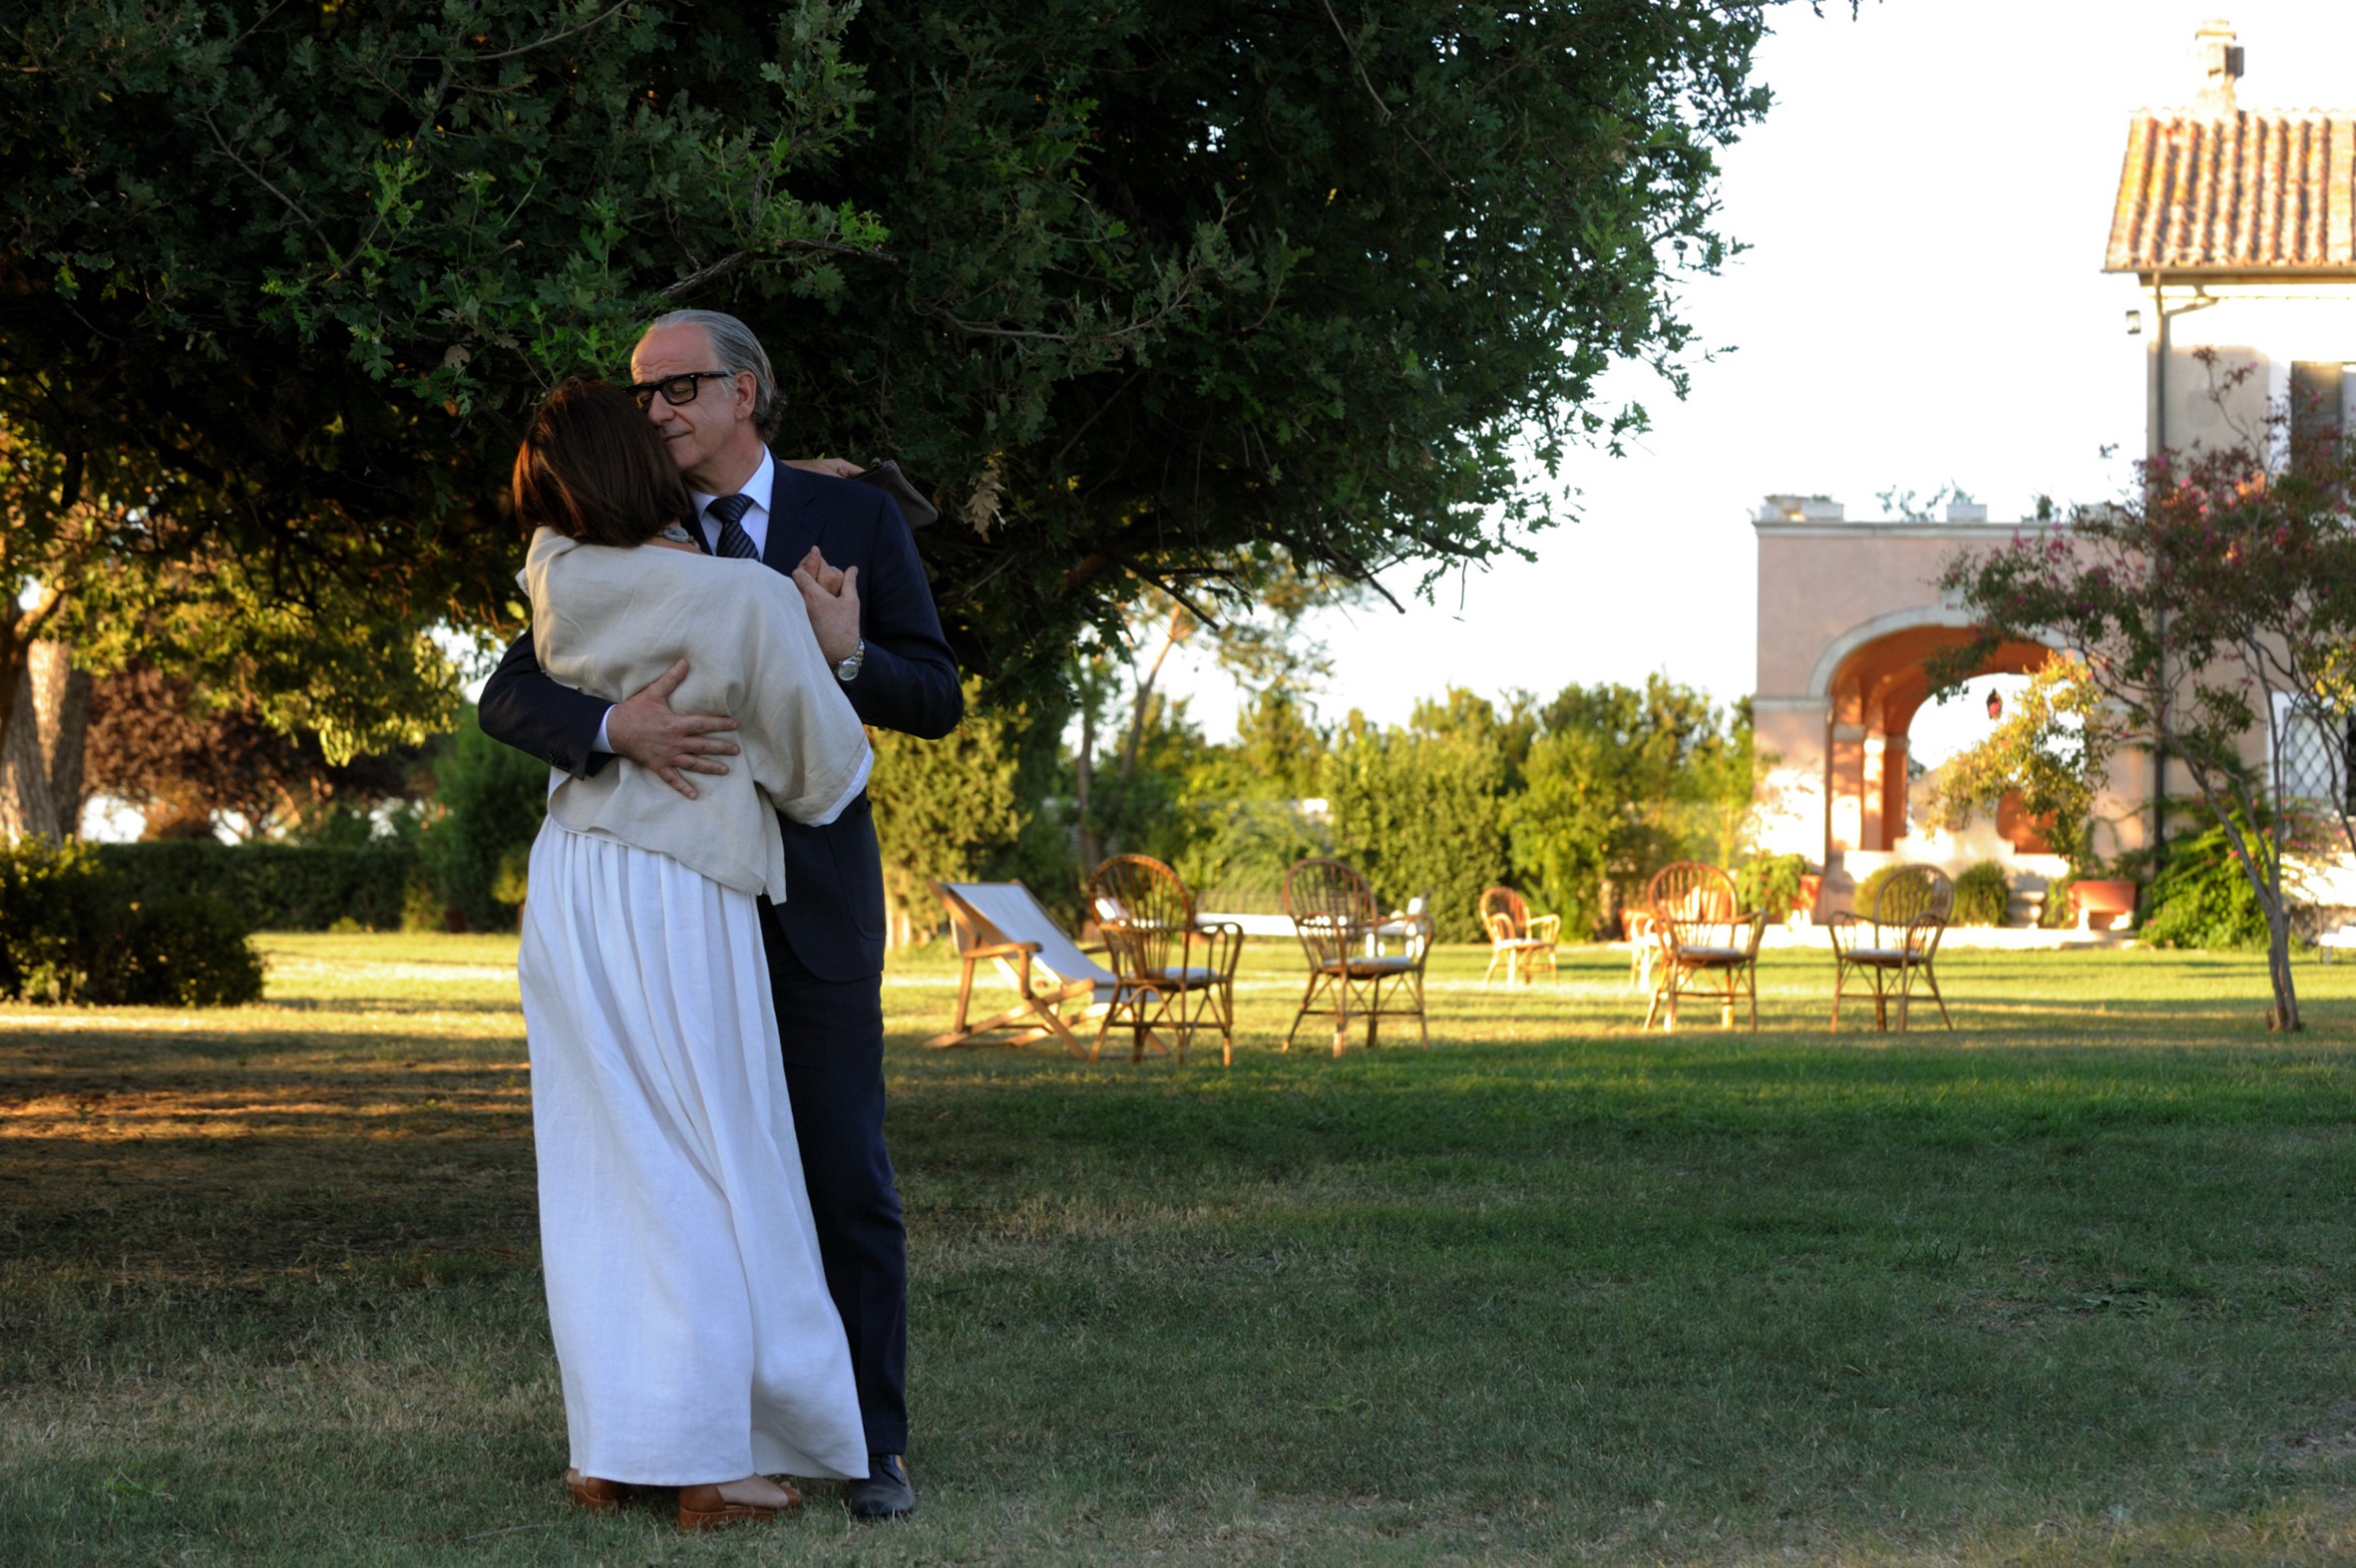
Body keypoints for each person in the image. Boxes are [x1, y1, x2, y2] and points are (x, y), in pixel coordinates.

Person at [479, 309, 962, 1520]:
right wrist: (615, 728)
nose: (655, 410)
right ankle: (714, 1433)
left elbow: (936, 693)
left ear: (744, 391)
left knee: (841, 1172)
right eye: (642, 394)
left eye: (679, 387)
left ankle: (870, 1445)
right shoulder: (610, 523)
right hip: (677, 905)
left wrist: (845, 658)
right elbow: (511, 690)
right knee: (689, 1170)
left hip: (811, 905)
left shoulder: (852, 516)